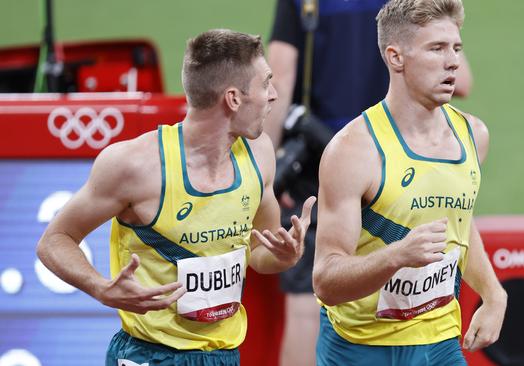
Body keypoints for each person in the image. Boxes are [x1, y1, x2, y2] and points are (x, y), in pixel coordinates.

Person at [36, 28, 315, 366]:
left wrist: (287, 255)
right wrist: (99, 287)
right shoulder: (134, 166)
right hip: (150, 356)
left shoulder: (259, 154)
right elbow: (54, 240)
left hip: (223, 356)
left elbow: (259, 252)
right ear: (233, 98)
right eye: (265, 83)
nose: (273, 95)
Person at [266, 1, 472, 364]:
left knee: (303, 309)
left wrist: (265, 179)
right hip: (408, 156)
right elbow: (463, 82)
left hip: (318, 160)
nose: (449, 57)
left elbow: (280, 77)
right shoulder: (415, 5)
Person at [312, 0, 506, 365]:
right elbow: (325, 279)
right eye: (437, 49)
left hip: (440, 341)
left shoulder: (473, 135)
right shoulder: (354, 151)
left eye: (457, 48)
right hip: (360, 347)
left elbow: (458, 224)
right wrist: (397, 256)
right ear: (396, 57)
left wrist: (494, 294)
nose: (453, 62)